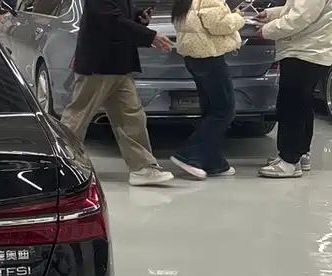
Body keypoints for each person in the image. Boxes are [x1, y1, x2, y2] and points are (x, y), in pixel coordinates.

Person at [61, 0, 175, 186]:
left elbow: (118, 14)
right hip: (98, 65)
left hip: (120, 64)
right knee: (78, 116)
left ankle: (143, 168)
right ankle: (61, 162)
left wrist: (138, 17)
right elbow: (110, 20)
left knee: (131, 116)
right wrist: (150, 36)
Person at [169, 0, 246, 178]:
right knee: (224, 111)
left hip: (194, 56)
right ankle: (189, 154)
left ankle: (212, 161)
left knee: (211, 110)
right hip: (209, 56)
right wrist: (238, 17)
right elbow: (217, 24)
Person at [256, 0, 332, 178]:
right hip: (310, 49)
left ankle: (289, 160)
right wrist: (272, 14)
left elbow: (300, 17)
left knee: (290, 106)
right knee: (302, 104)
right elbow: (300, 10)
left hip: (304, 50)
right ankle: (300, 153)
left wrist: (268, 30)